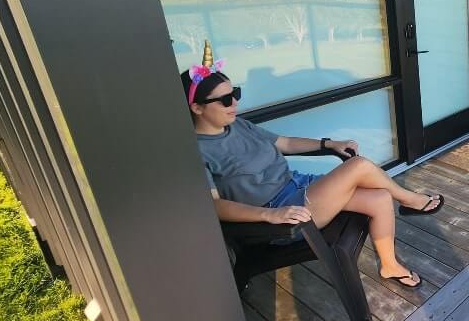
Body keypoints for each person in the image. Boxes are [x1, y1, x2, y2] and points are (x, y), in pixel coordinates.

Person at [181, 42, 442, 289]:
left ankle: (390, 266)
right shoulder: (196, 151)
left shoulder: (237, 125)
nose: (235, 103)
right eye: (225, 100)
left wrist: (328, 144)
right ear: (197, 108)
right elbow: (215, 206)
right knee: (359, 166)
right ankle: (410, 200)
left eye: (235, 93)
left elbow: (284, 143)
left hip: (299, 185)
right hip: (284, 213)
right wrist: (269, 216)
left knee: (380, 198)